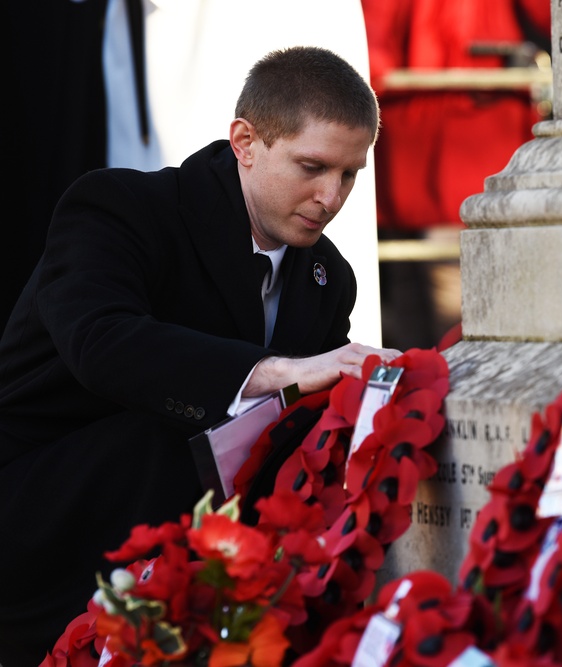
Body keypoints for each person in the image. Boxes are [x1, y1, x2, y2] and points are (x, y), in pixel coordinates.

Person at [0, 45, 399, 665]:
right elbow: (101, 342)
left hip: (197, 555)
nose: (331, 196)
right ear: (245, 140)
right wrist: (275, 373)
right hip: (42, 527)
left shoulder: (327, 274)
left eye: (350, 175)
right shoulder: (119, 208)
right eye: (312, 166)